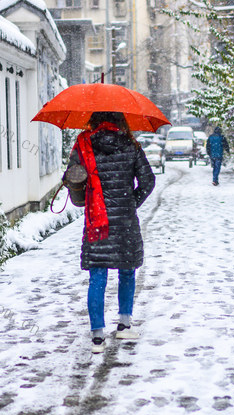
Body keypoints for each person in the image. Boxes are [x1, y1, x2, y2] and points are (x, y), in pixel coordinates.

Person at [65, 111, 156, 354]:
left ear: (93, 120)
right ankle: (124, 324)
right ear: (121, 120)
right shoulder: (131, 145)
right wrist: (129, 203)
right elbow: (148, 182)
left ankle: (97, 336)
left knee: (98, 277)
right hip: (125, 221)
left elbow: (75, 188)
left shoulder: (83, 145)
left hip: (97, 221)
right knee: (127, 272)